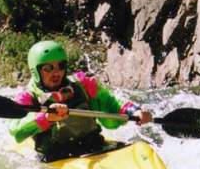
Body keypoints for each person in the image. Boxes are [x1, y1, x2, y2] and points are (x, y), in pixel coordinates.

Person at [9, 40, 152, 162]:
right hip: (56, 157)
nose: (56, 72)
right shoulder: (28, 97)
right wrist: (46, 117)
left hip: (94, 146)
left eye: (61, 66)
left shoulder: (83, 85)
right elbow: (16, 130)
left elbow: (111, 104)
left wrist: (134, 111)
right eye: (48, 68)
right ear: (36, 71)